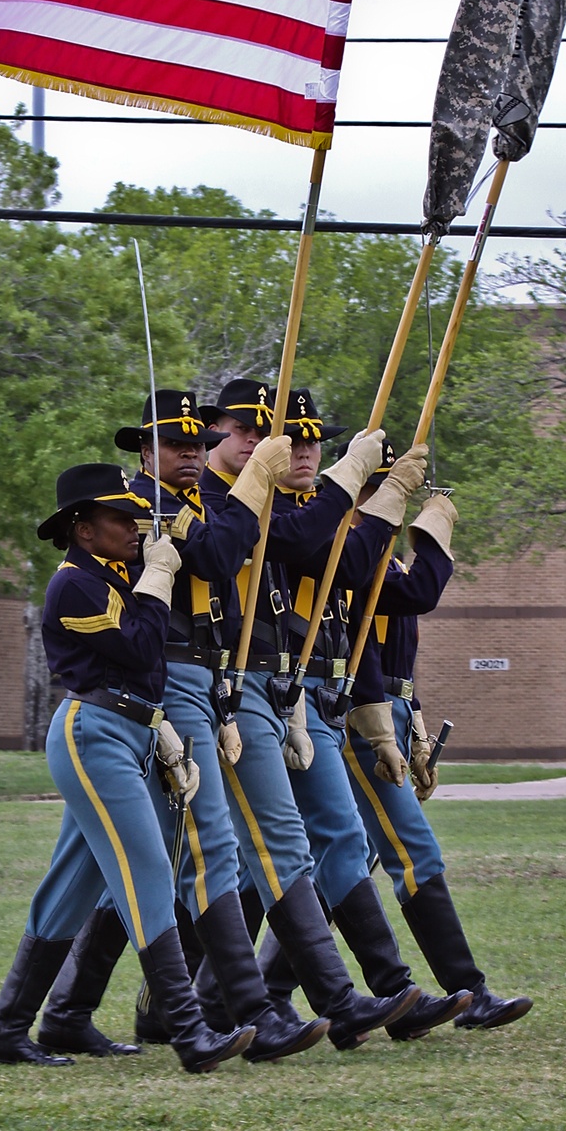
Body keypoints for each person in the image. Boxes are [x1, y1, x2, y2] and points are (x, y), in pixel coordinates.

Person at [33, 392, 329, 1064]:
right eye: (175, 442)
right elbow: (222, 557)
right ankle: (248, 1011)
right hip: (147, 689)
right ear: (143, 451)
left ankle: (66, 1012)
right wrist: (255, 485)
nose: (191, 452)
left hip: (190, 685)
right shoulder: (145, 509)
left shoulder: (188, 503)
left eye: (199, 441)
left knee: (108, 870)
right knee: (205, 849)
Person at [0, 461, 256, 1074]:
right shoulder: (73, 584)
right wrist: (157, 576)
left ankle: (8, 1032)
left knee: (70, 890)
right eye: (118, 518)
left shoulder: (116, 573)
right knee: (150, 869)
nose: (134, 527)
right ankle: (189, 1034)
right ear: (83, 529)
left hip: (133, 731)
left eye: (135, 515)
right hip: (94, 733)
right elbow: (137, 645)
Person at [197, 380, 422, 1048]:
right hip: (217, 691)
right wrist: (354, 481)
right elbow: (287, 544)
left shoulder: (267, 497)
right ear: (220, 432)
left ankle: (366, 991)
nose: (281, 445)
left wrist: (380, 500)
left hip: (286, 691)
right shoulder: (214, 501)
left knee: (319, 840)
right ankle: (299, 1000)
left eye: (300, 437)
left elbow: (351, 573)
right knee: (226, 858)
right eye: (253, 430)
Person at [249, 398, 472, 1037]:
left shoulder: (326, 527)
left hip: (339, 698)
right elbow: (345, 563)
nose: (306, 452)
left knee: (325, 851)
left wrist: (430, 534)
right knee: (251, 861)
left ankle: (373, 997)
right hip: (280, 693)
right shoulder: (278, 518)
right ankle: (230, 1000)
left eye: (316, 443)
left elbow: (407, 598)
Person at [342, 453, 534, 1034]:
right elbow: (423, 589)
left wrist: (417, 727)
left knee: (342, 860)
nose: (393, 506)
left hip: (394, 708)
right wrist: (435, 528)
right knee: (411, 852)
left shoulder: (381, 559)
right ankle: (466, 992)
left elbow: (399, 655)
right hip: (361, 715)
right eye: (386, 494)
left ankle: (327, 1006)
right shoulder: (353, 559)